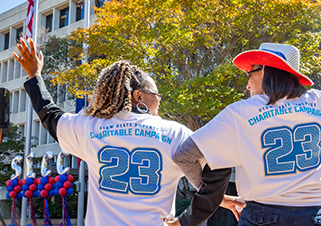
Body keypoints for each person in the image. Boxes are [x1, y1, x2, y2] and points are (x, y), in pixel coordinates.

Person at [169, 31, 321, 226]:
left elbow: (183, 155)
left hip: (262, 217)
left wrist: (215, 196)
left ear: (267, 71)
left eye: (250, 72)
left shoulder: (240, 113)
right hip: (317, 216)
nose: (247, 81)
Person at [14, 38, 235, 226]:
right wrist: (191, 217)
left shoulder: (89, 127)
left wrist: (34, 75)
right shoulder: (175, 133)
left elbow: (49, 114)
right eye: (156, 94)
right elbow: (218, 168)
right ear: (138, 96)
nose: (159, 100)